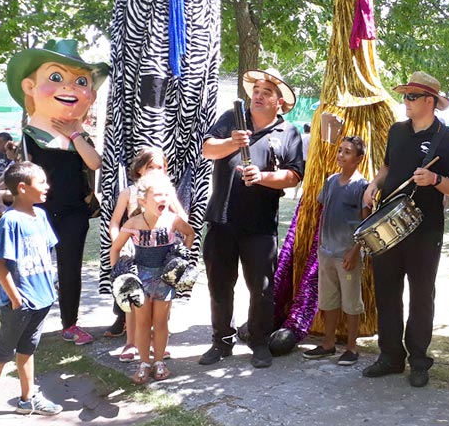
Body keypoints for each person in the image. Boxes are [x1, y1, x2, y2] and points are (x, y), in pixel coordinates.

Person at [361, 71, 449, 388]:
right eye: (405, 96)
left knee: (421, 295)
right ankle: (390, 356)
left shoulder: (447, 139)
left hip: (425, 229)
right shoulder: (396, 131)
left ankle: (418, 360)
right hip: (388, 223)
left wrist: (435, 180)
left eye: (411, 96)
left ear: (429, 101)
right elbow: (388, 167)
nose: (405, 101)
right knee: (387, 292)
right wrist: (373, 184)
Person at [5, 39, 110, 347]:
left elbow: (95, 162)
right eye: (56, 78)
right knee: (32, 267)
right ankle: (25, 319)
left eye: (80, 82)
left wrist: (75, 134)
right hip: (40, 212)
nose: (70, 88)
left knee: (70, 267)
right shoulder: (30, 135)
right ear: (29, 86)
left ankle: (70, 323)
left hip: (75, 210)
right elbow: (23, 174)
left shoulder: (81, 136)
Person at [198, 69, 304, 369]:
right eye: (256, 90)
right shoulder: (232, 119)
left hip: (259, 225)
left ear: (279, 102)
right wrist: (232, 142)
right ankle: (221, 341)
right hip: (222, 219)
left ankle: (259, 342)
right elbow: (207, 149)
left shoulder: (290, 133)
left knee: (262, 287)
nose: (258, 95)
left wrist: (262, 177)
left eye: (266, 92)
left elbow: (294, 175)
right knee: (219, 286)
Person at [0, 162, 63, 425]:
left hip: (43, 300)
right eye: (41, 182)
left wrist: (51, 285)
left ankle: (27, 399)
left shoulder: (41, 216)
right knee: (3, 352)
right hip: (20, 304)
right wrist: (15, 298)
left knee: (27, 350)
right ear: (22, 188)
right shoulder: (10, 221)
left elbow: (47, 253)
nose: (47, 187)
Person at [111, 172, 195, 384]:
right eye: (157, 194)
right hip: (140, 280)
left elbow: (190, 234)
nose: (163, 199)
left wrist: (180, 257)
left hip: (165, 280)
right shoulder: (134, 222)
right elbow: (116, 248)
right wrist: (118, 277)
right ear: (143, 200)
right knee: (142, 322)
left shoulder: (173, 220)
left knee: (160, 323)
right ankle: (144, 363)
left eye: (166, 194)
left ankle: (159, 361)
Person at [106, 147, 187, 361]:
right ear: (140, 168)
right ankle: (131, 342)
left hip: (161, 250)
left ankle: (156, 343)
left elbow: (182, 217)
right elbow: (115, 221)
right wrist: (118, 242)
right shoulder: (130, 192)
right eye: (151, 166)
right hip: (134, 247)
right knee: (135, 302)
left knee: (161, 302)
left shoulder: (165, 192)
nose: (155, 170)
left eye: (160, 167)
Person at [302, 136, 369, 366]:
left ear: (359, 158)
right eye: (340, 150)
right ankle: (328, 343)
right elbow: (325, 211)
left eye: (348, 152)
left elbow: (366, 223)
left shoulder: (362, 187)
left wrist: (354, 251)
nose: (341, 155)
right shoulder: (330, 181)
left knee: (351, 303)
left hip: (347, 256)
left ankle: (351, 347)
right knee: (328, 300)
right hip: (327, 252)